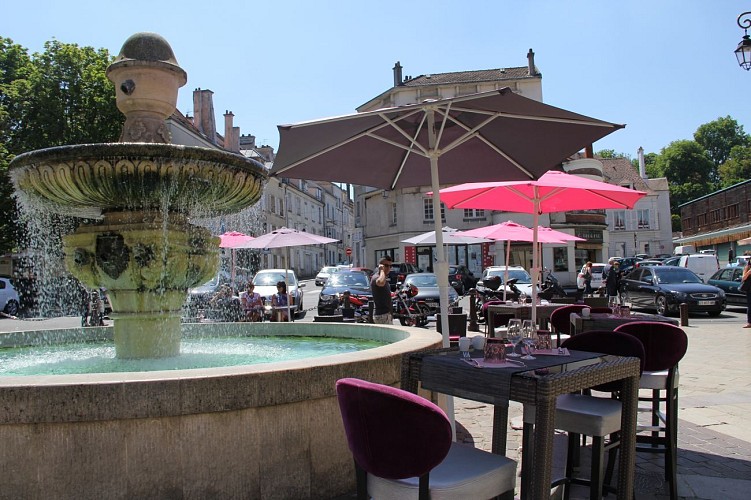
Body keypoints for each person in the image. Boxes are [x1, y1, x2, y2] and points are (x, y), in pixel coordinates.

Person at [371, 257, 394, 324]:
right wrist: (381, 270)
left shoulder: (383, 277)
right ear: (380, 266)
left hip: (386, 315)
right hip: (382, 315)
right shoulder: (376, 277)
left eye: (390, 266)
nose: (389, 268)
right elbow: (380, 282)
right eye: (386, 266)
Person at [743, 260, 751, 328]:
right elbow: (743, 279)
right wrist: (748, 272)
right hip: (750, 290)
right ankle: (749, 323)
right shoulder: (747, 268)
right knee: (750, 307)